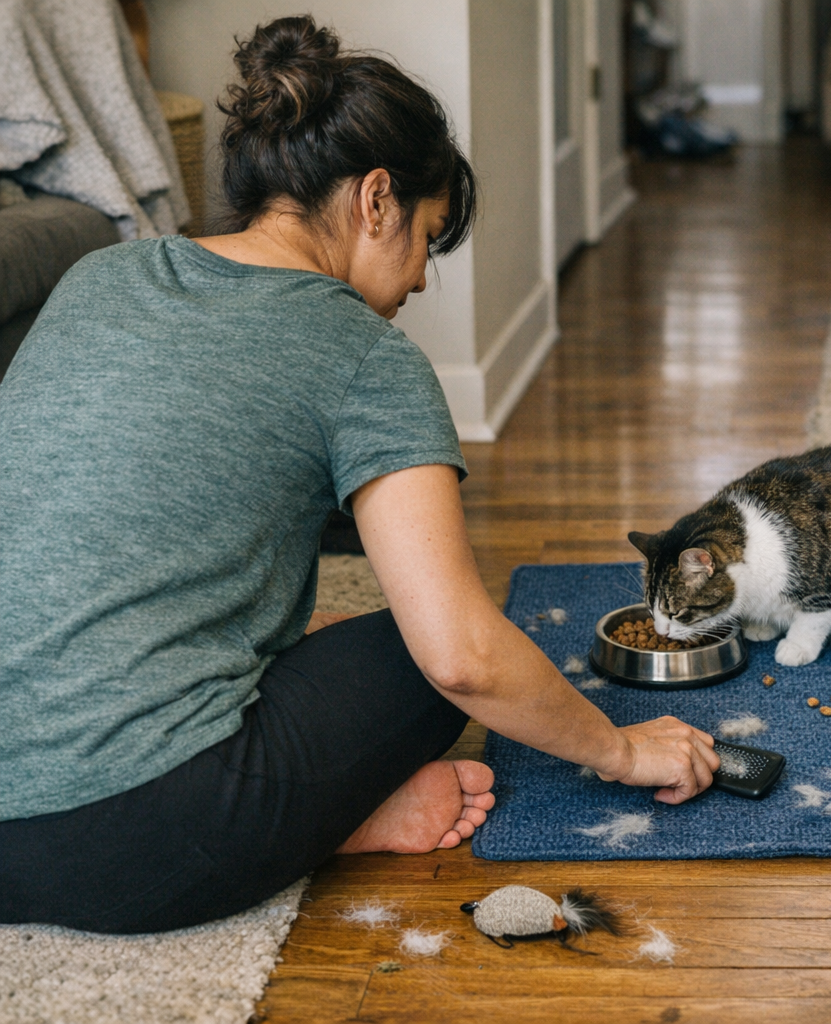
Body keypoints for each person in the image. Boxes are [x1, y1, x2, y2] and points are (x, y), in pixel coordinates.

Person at [0, 16, 719, 935]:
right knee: (424, 655)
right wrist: (621, 751)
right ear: (376, 199)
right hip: (143, 848)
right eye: (426, 238)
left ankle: (323, 816)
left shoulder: (99, 274)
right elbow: (461, 659)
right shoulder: (362, 354)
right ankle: (324, 824)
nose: (417, 282)